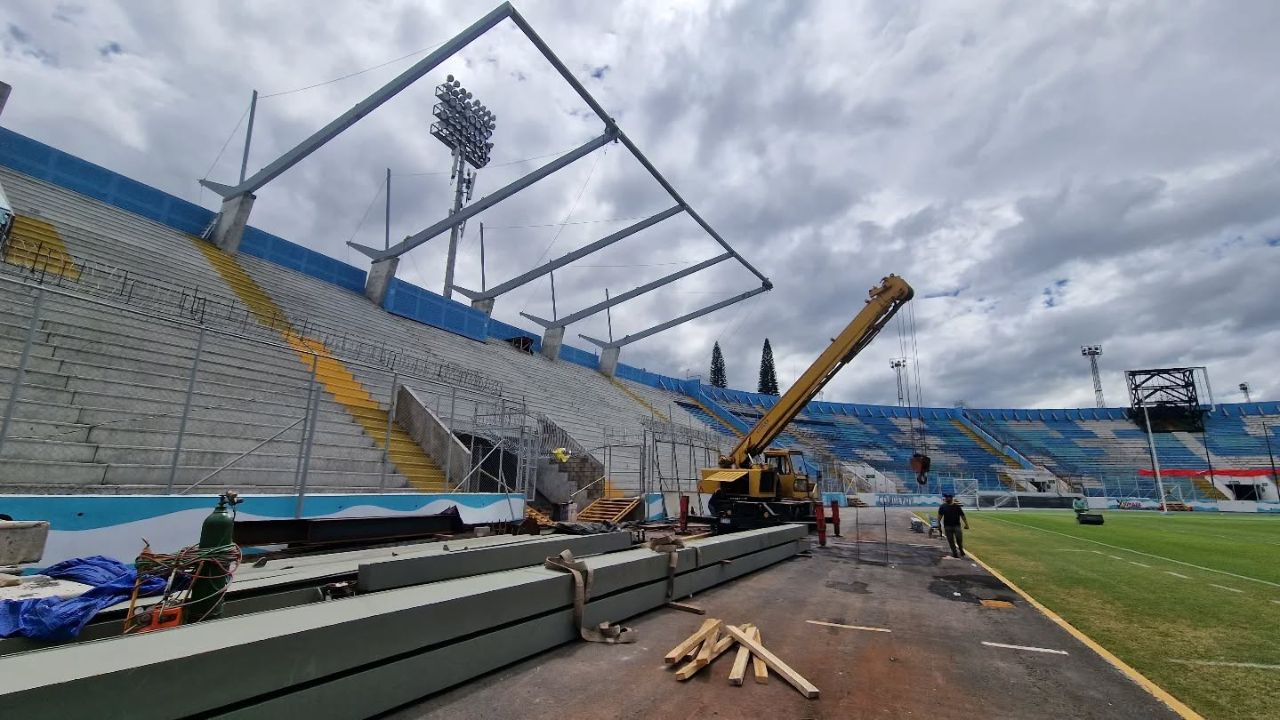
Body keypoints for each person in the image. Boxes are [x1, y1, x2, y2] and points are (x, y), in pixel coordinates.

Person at [937, 493, 970, 558]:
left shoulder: (957, 506)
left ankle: (960, 549)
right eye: (945, 497)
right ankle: (955, 553)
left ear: (951, 498)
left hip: (956, 526)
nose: (946, 499)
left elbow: (962, 516)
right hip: (947, 526)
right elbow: (939, 516)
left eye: (947, 497)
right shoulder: (942, 506)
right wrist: (938, 524)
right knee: (950, 540)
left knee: (959, 539)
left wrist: (966, 524)